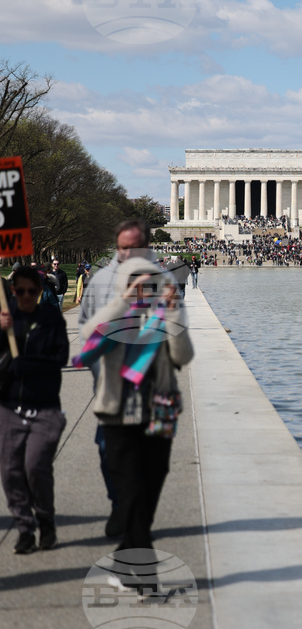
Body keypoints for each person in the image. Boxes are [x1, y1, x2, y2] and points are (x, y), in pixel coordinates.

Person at [75, 257, 193, 559]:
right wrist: (124, 302)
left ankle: (129, 546)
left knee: (152, 486)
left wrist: (174, 311)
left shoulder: (164, 316)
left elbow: (183, 356)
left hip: (159, 411)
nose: (143, 290)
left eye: (148, 284)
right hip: (118, 413)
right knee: (130, 490)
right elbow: (89, 338)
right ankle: (142, 571)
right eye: (134, 284)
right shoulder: (113, 316)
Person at [80, 218, 176, 538]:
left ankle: (134, 520)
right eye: (123, 248)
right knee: (113, 457)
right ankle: (123, 510)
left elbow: (179, 347)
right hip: (115, 391)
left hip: (159, 396)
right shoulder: (100, 281)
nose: (128, 253)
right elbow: (88, 336)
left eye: (135, 247)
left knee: (156, 469)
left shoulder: (165, 282)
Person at [0, 266, 70, 553]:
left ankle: (45, 518)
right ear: (13, 292)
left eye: (33, 291)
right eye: (20, 291)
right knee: (11, 472)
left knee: (35, 467)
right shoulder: (6, 319)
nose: (26, 296)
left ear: (40, 292)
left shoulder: (51, 318)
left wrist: (29, 365)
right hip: (10, 405)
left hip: (44, 406)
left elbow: (61, 356)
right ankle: (25, 528)